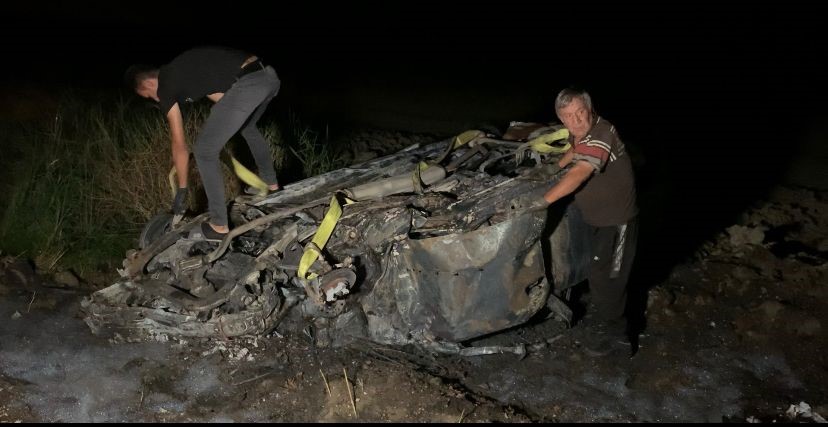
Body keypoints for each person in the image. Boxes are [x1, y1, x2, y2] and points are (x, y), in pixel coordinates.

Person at [125, 46, 281, 242]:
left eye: (149, 95)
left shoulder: (166, 84)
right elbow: (225, 102)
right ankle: (272, 185)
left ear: (147, 82)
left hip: (249, 84)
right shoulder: (187, 74)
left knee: (204, 151)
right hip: (267, 77)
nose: (156, 100)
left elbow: (179, 143)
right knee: (247, 128)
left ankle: (219, 226)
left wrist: (182, 190)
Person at [542, 87, 639, 356]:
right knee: (601, 275)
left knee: (609, 279)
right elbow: (575, 153)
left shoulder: (602, 132)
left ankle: (620, 339)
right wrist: (554, 168)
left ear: (590, 109)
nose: (575, 121)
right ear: (561, 119)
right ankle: (610, 322)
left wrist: (542, 201)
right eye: (568, 117)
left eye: (579, 113)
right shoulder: (582, 133)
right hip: (599, 219)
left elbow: (581, 172)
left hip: (619, 223)